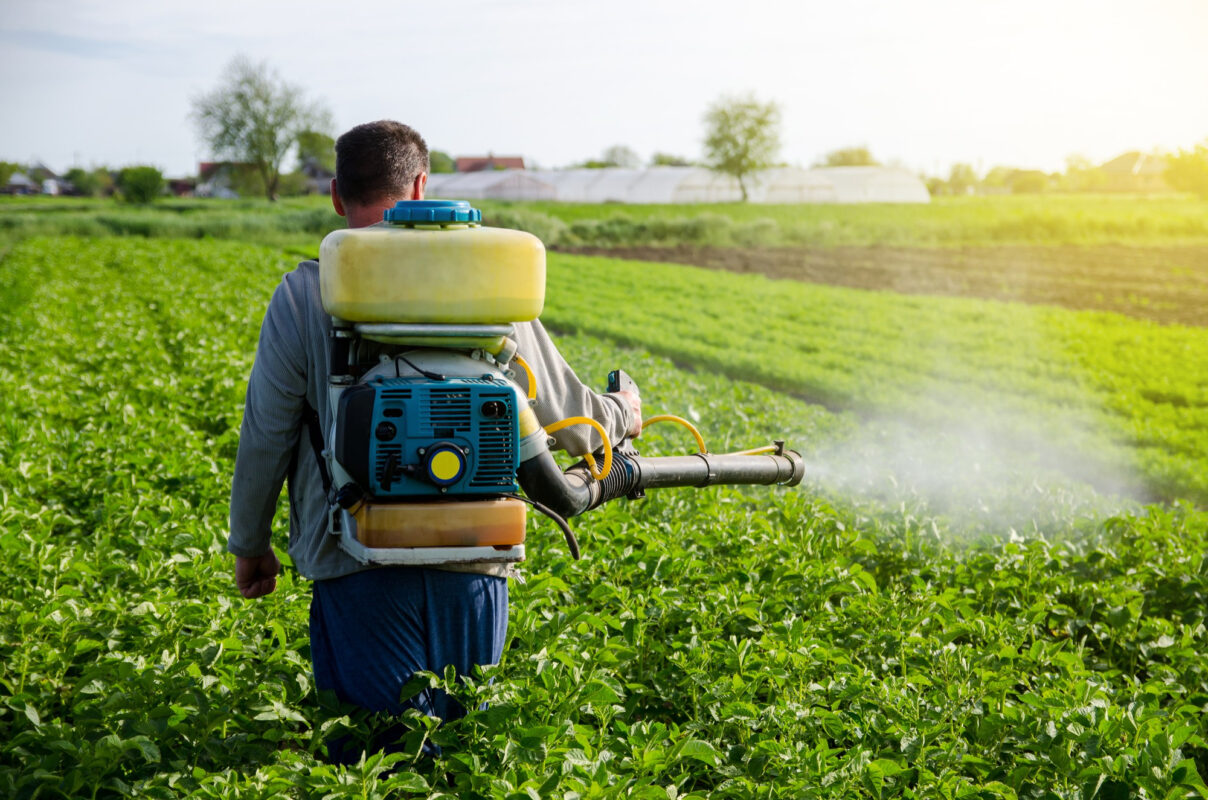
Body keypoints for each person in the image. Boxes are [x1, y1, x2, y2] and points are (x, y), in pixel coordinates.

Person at [227, 120, 640, 759]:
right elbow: (568, 418)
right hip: (474, 557)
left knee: (375, 761)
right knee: (470, 753)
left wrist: (249, 544)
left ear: (337, 195)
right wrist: (623, 410)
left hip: (355, 559)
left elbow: (265, 436)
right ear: (422, 185)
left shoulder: (305, 294)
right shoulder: (484, 277)